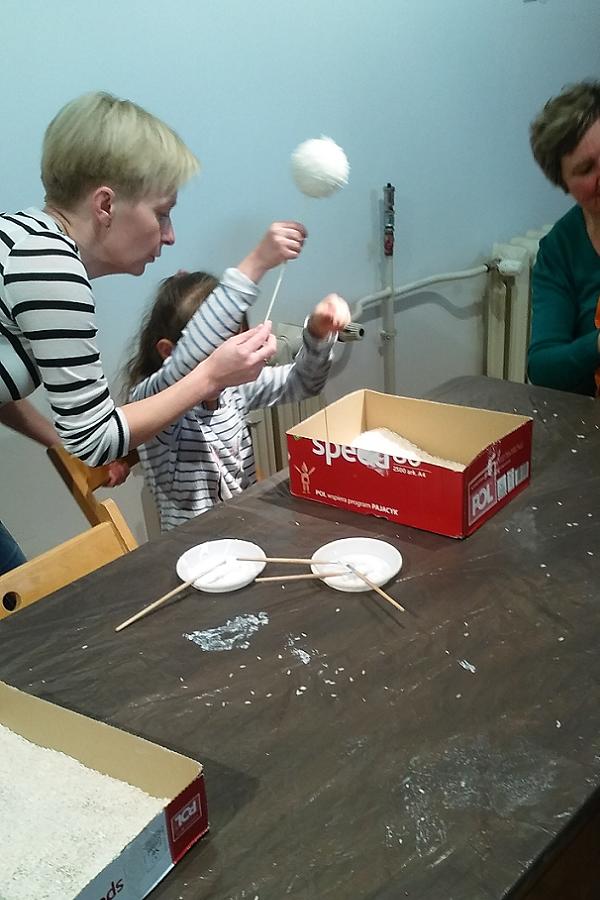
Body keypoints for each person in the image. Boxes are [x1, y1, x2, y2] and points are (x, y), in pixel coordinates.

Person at [0, 90, 301, 572]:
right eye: (162, 213)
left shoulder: (22, 240)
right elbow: (97, 440)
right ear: (105, 204)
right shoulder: (50, 268)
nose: (170, 234)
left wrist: (57, 441)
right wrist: (209, 377)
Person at [125, 271, 350, 531]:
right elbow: (152, 392)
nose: (229, 365)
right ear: (169, 352)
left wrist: (318, 335)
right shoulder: (157, 407)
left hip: (245, 529)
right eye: (211, 353)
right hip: (192, 544)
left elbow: (303, 382)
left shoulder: (233, 388)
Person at [528, 79, 600, 395]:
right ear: (564, 185)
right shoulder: (559, 249)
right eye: (585, 169)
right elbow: (542, 366)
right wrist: (597, 345)